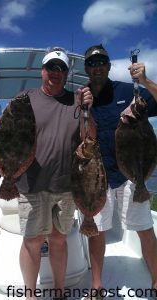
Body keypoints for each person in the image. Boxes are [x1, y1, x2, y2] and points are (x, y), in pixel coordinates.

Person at [13, 47, 93, 300]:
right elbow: (10, 137)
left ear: (67, 73)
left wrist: (87, 109)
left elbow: (89, 139)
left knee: (59, 240)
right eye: (51, 67)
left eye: (61, 68)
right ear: (42, 70)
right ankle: (30, 295)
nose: (55, 73)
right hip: (31, 184)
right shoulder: (25, 98)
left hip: (66, 185)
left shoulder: (76, 101)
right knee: (33, 241)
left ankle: (59, 293)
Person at [82, 44, 157, 299]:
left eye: (102, 61)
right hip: (98, 176)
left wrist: (145, 80)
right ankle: (96, 286)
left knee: (145, 227)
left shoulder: (128, 91)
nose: (98, 67)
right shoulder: (82, 98)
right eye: (92, 63)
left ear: (109, 65)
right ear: (86, 69)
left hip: (131, 176)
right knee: (97, 230)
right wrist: (85, 110)